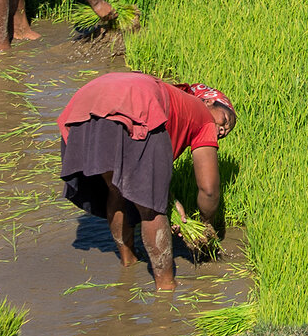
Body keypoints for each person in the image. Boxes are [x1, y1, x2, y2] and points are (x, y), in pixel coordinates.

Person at [57, 73, 235, 291]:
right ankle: (166, 288)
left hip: (84, 103)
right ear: (207, 101)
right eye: (225, 120)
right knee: (151, 207)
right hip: (133, 105)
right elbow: (209, 190)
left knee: (116, 190)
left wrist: (169, 200)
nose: (223, 130)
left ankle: (128, 262)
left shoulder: (172, 99)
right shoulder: (204, 117)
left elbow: (139, 166)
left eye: (227, 132)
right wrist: (207, 226)